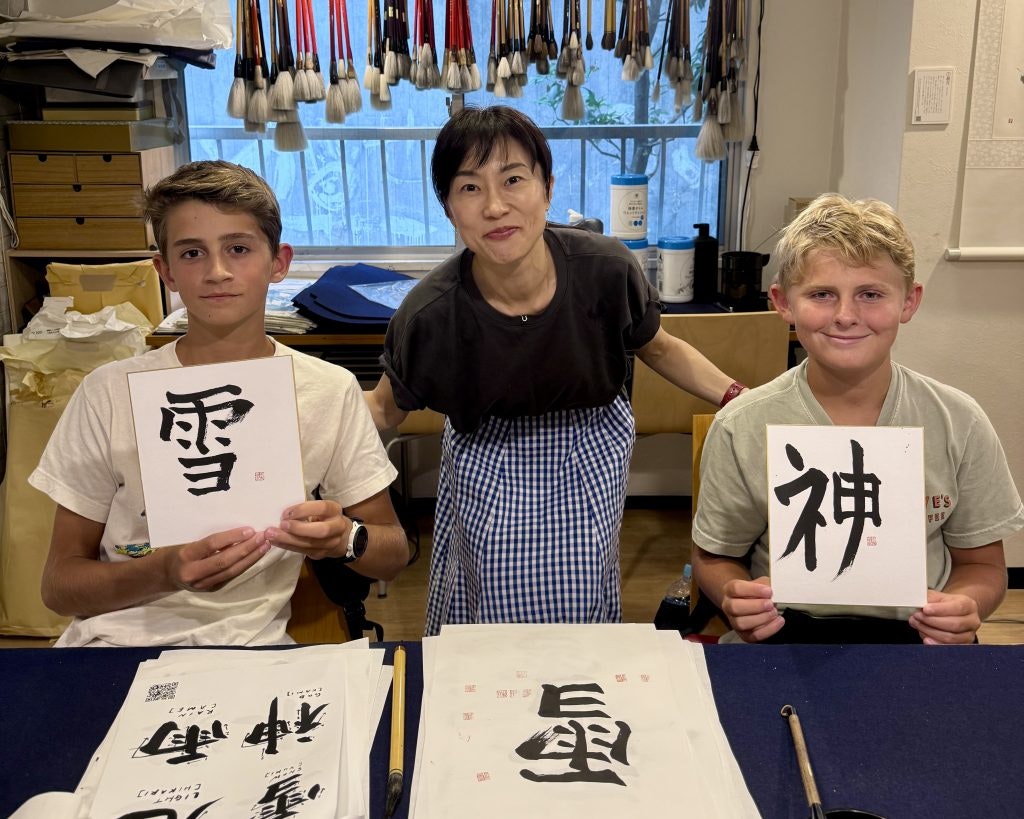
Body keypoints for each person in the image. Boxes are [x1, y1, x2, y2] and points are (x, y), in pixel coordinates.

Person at [364, 105, 748, 635]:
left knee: (583, 597)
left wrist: (740, 398)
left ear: (547, 188)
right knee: (491, 601)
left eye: (513, 180)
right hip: (485, 457)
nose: (495, 206)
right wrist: (303, 427)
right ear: (449, 209)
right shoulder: (430, 313)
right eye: (470, 188)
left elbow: (659, 348)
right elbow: (385, 408)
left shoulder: (607, 269)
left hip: (591, 443)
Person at [29, 160, 409, 647]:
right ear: (165, 271)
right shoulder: (108, 392)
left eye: (238, 248)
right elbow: (58, 587)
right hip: (112, 644)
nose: (217, 272)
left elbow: (392, 553)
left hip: (254, 647)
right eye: (192, 253)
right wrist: (164, 570)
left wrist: (343, 538)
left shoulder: (327, 390)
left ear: (279, 262)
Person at [692, 193, 1024, 644]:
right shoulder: (742, 425)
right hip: (784, 635)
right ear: (783, 303)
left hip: (919, 639)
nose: (846, 316)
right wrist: (734, 596)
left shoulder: (958, 421)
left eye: (870, 294)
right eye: (821, 294)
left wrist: (965, 605)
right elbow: (714, 556)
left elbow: (983, 566)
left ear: (909, 301)